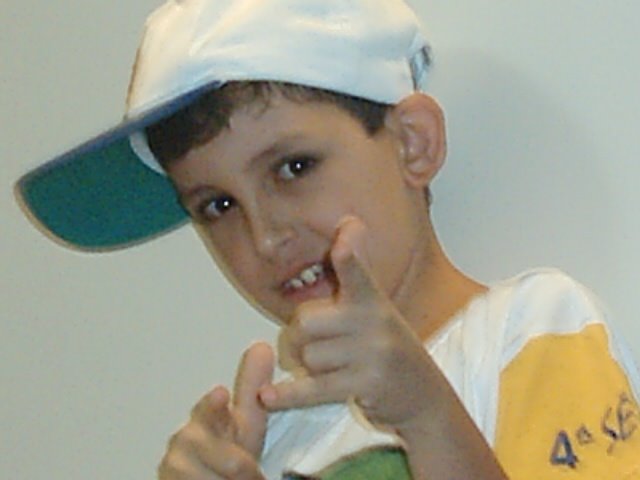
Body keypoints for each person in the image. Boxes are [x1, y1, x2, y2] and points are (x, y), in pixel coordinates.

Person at [15, 0, 640, 478]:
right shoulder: (276, 438)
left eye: (293, 167)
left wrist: (425, 413)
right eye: (218, 205)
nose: (265, 238)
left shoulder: (530, 329)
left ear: (412, 142)